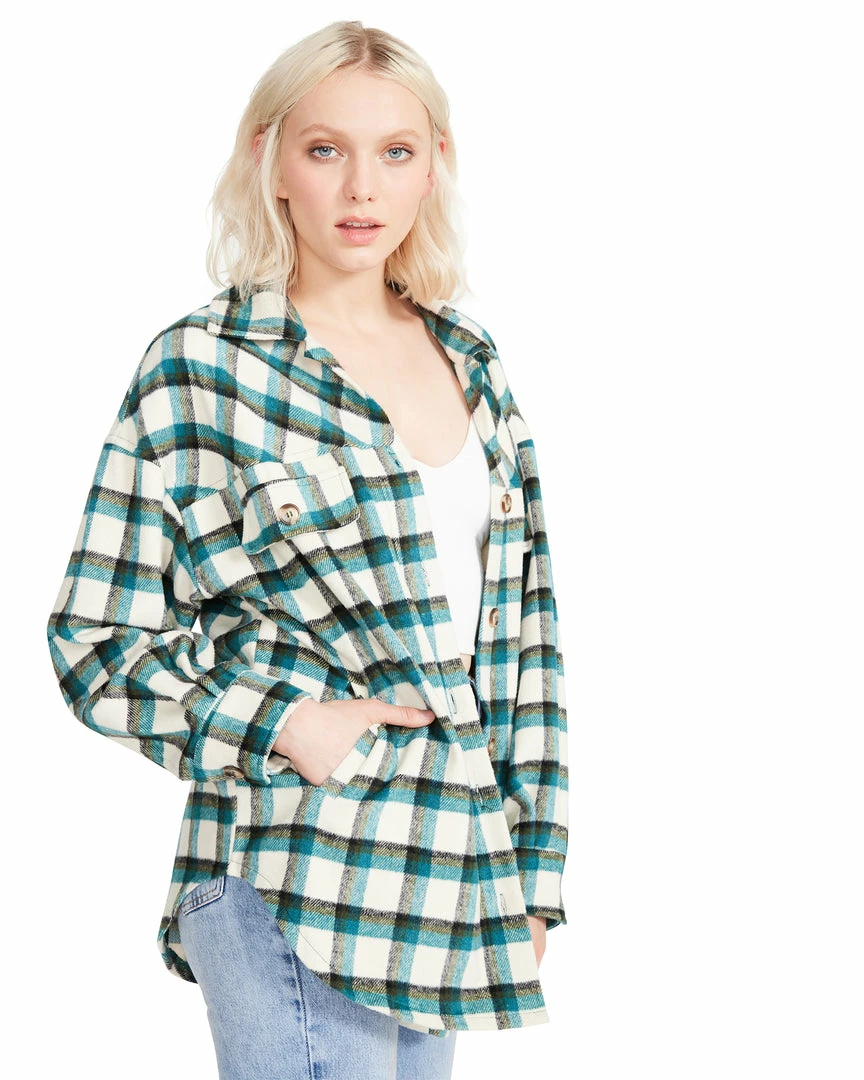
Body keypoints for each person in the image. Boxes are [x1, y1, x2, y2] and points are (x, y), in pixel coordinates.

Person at [46, 19, 569, 1080]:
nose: (361, 187)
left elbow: (527, 641)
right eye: (326, 149)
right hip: (292, 859)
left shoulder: (472, 361)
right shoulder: (202, 367)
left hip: (449, 878)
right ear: (270, 159)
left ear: (436, 164)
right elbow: (97, 641)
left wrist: (533, 870)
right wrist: (289, 725)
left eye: (396, 151)